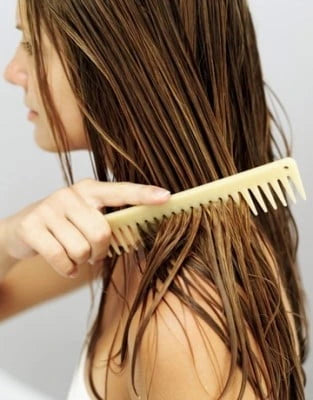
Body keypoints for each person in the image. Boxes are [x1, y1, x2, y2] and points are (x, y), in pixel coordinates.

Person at [0, 1, 309, 399]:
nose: (12, 72)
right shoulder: (138, 230)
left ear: (118, 63)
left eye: (33, 44)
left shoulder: (184, 323)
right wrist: (11, 236)